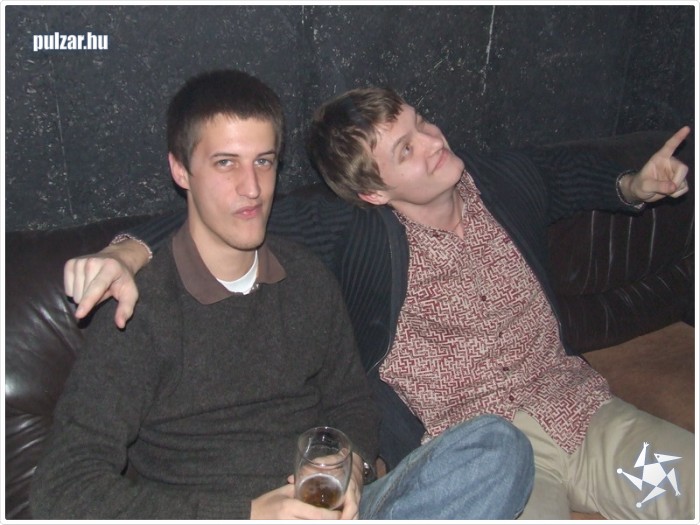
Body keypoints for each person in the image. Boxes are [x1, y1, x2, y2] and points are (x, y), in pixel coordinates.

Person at [61, 83, 694, 520]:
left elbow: (564, 175)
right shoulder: (355, 236)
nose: (433, 142)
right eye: (405, 149)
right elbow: (227, 221)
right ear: (374, 193)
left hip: (577, 407)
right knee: (501, 451)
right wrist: (126, 253)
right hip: (472, 438)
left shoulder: (502, 180)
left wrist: (632, 184)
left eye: (421, 123)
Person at [31, 70, 535, 520]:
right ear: (181, 170)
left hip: (336, 507)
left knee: (498, 445)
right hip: (220, 514)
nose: (251, 188)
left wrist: (350, 468)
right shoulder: (137, 309)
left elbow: (352, 403)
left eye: (264, 162)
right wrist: (247, 514)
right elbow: (62, 490)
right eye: (225, 163)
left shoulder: (306, 278)